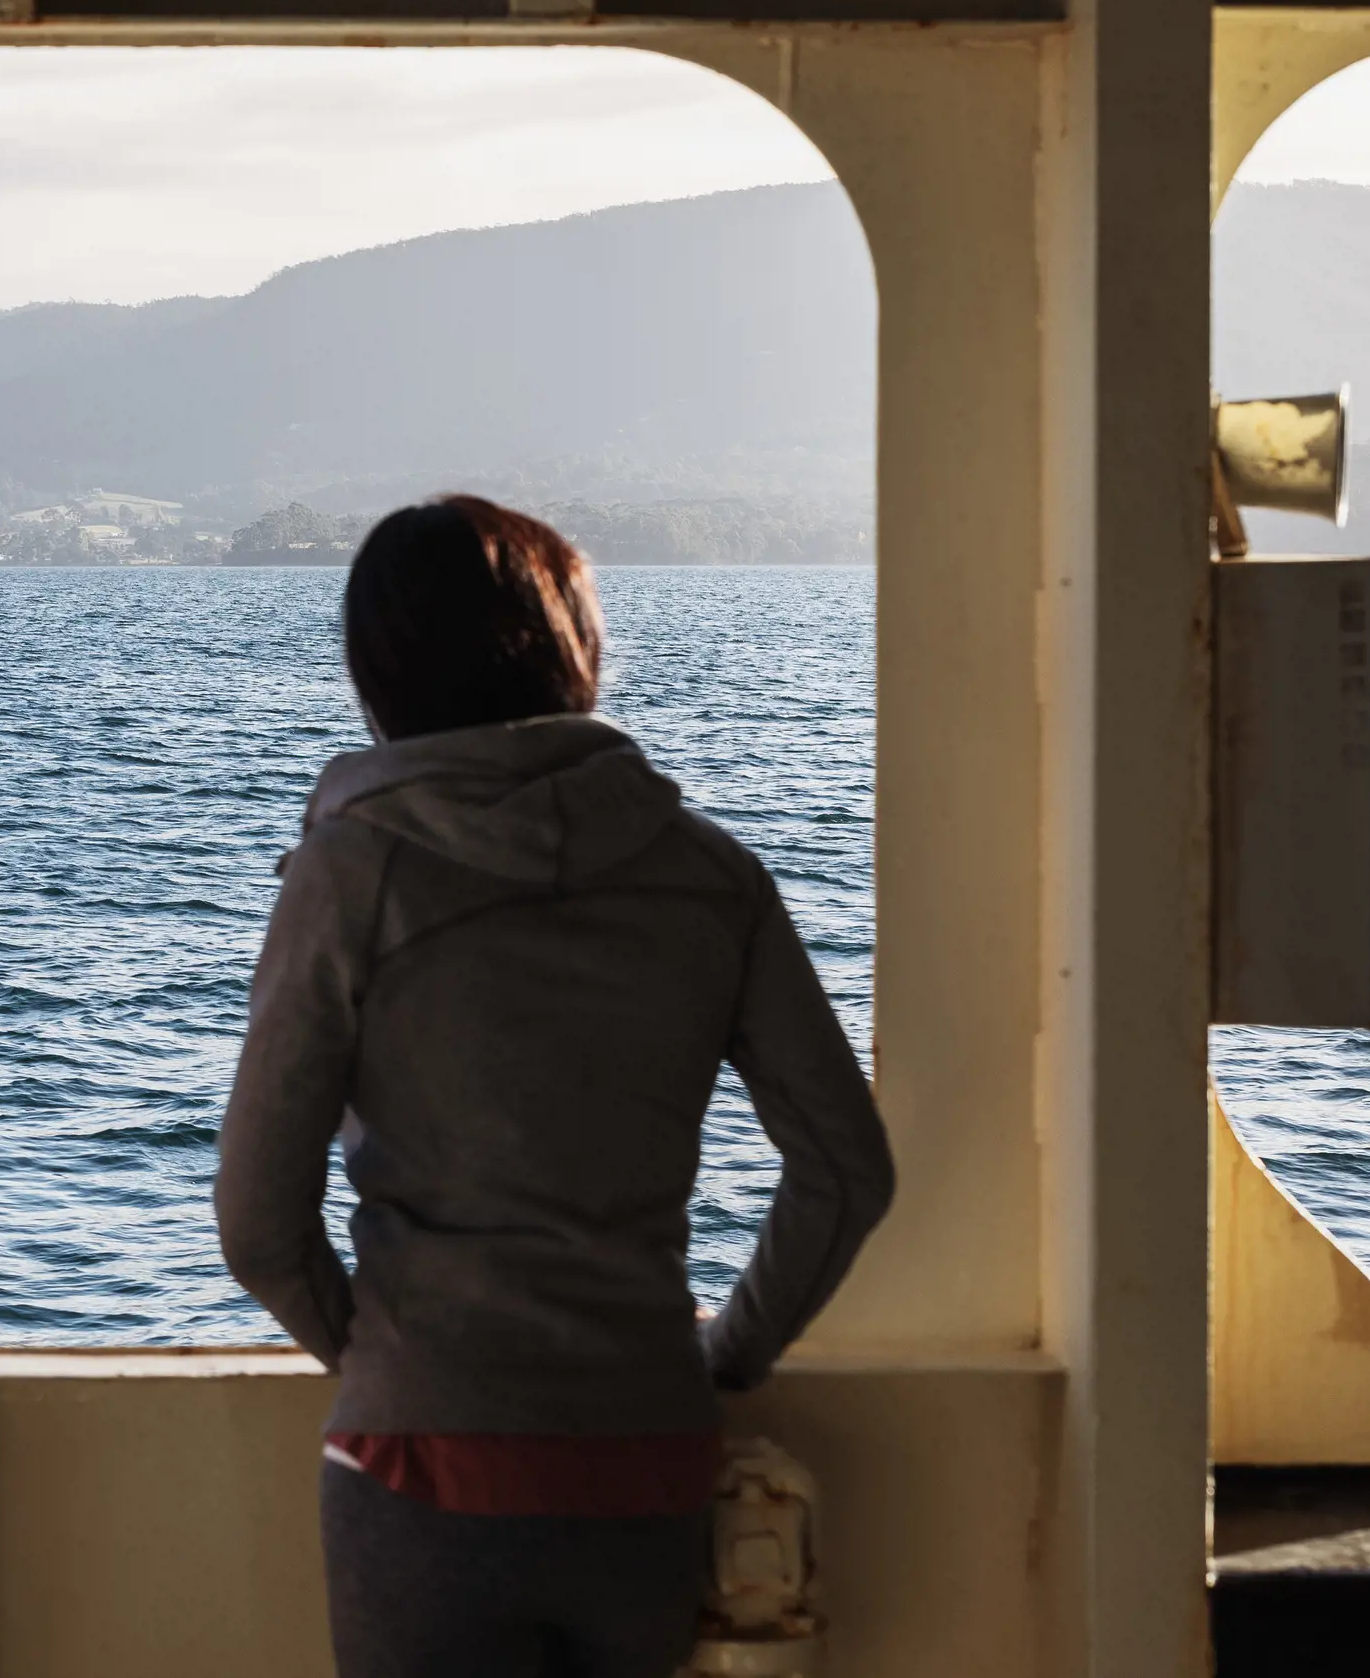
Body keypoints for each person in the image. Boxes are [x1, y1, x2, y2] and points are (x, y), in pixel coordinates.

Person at [215, 497, 893, 1678]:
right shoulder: (709, 870)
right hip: (643, 1457)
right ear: (572, 645)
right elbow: (845, 1172)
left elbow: (259, 1223)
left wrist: (388, 1361)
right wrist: (723, 1355)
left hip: (417, 1458)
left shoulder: (352, 872)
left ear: (379, 672)